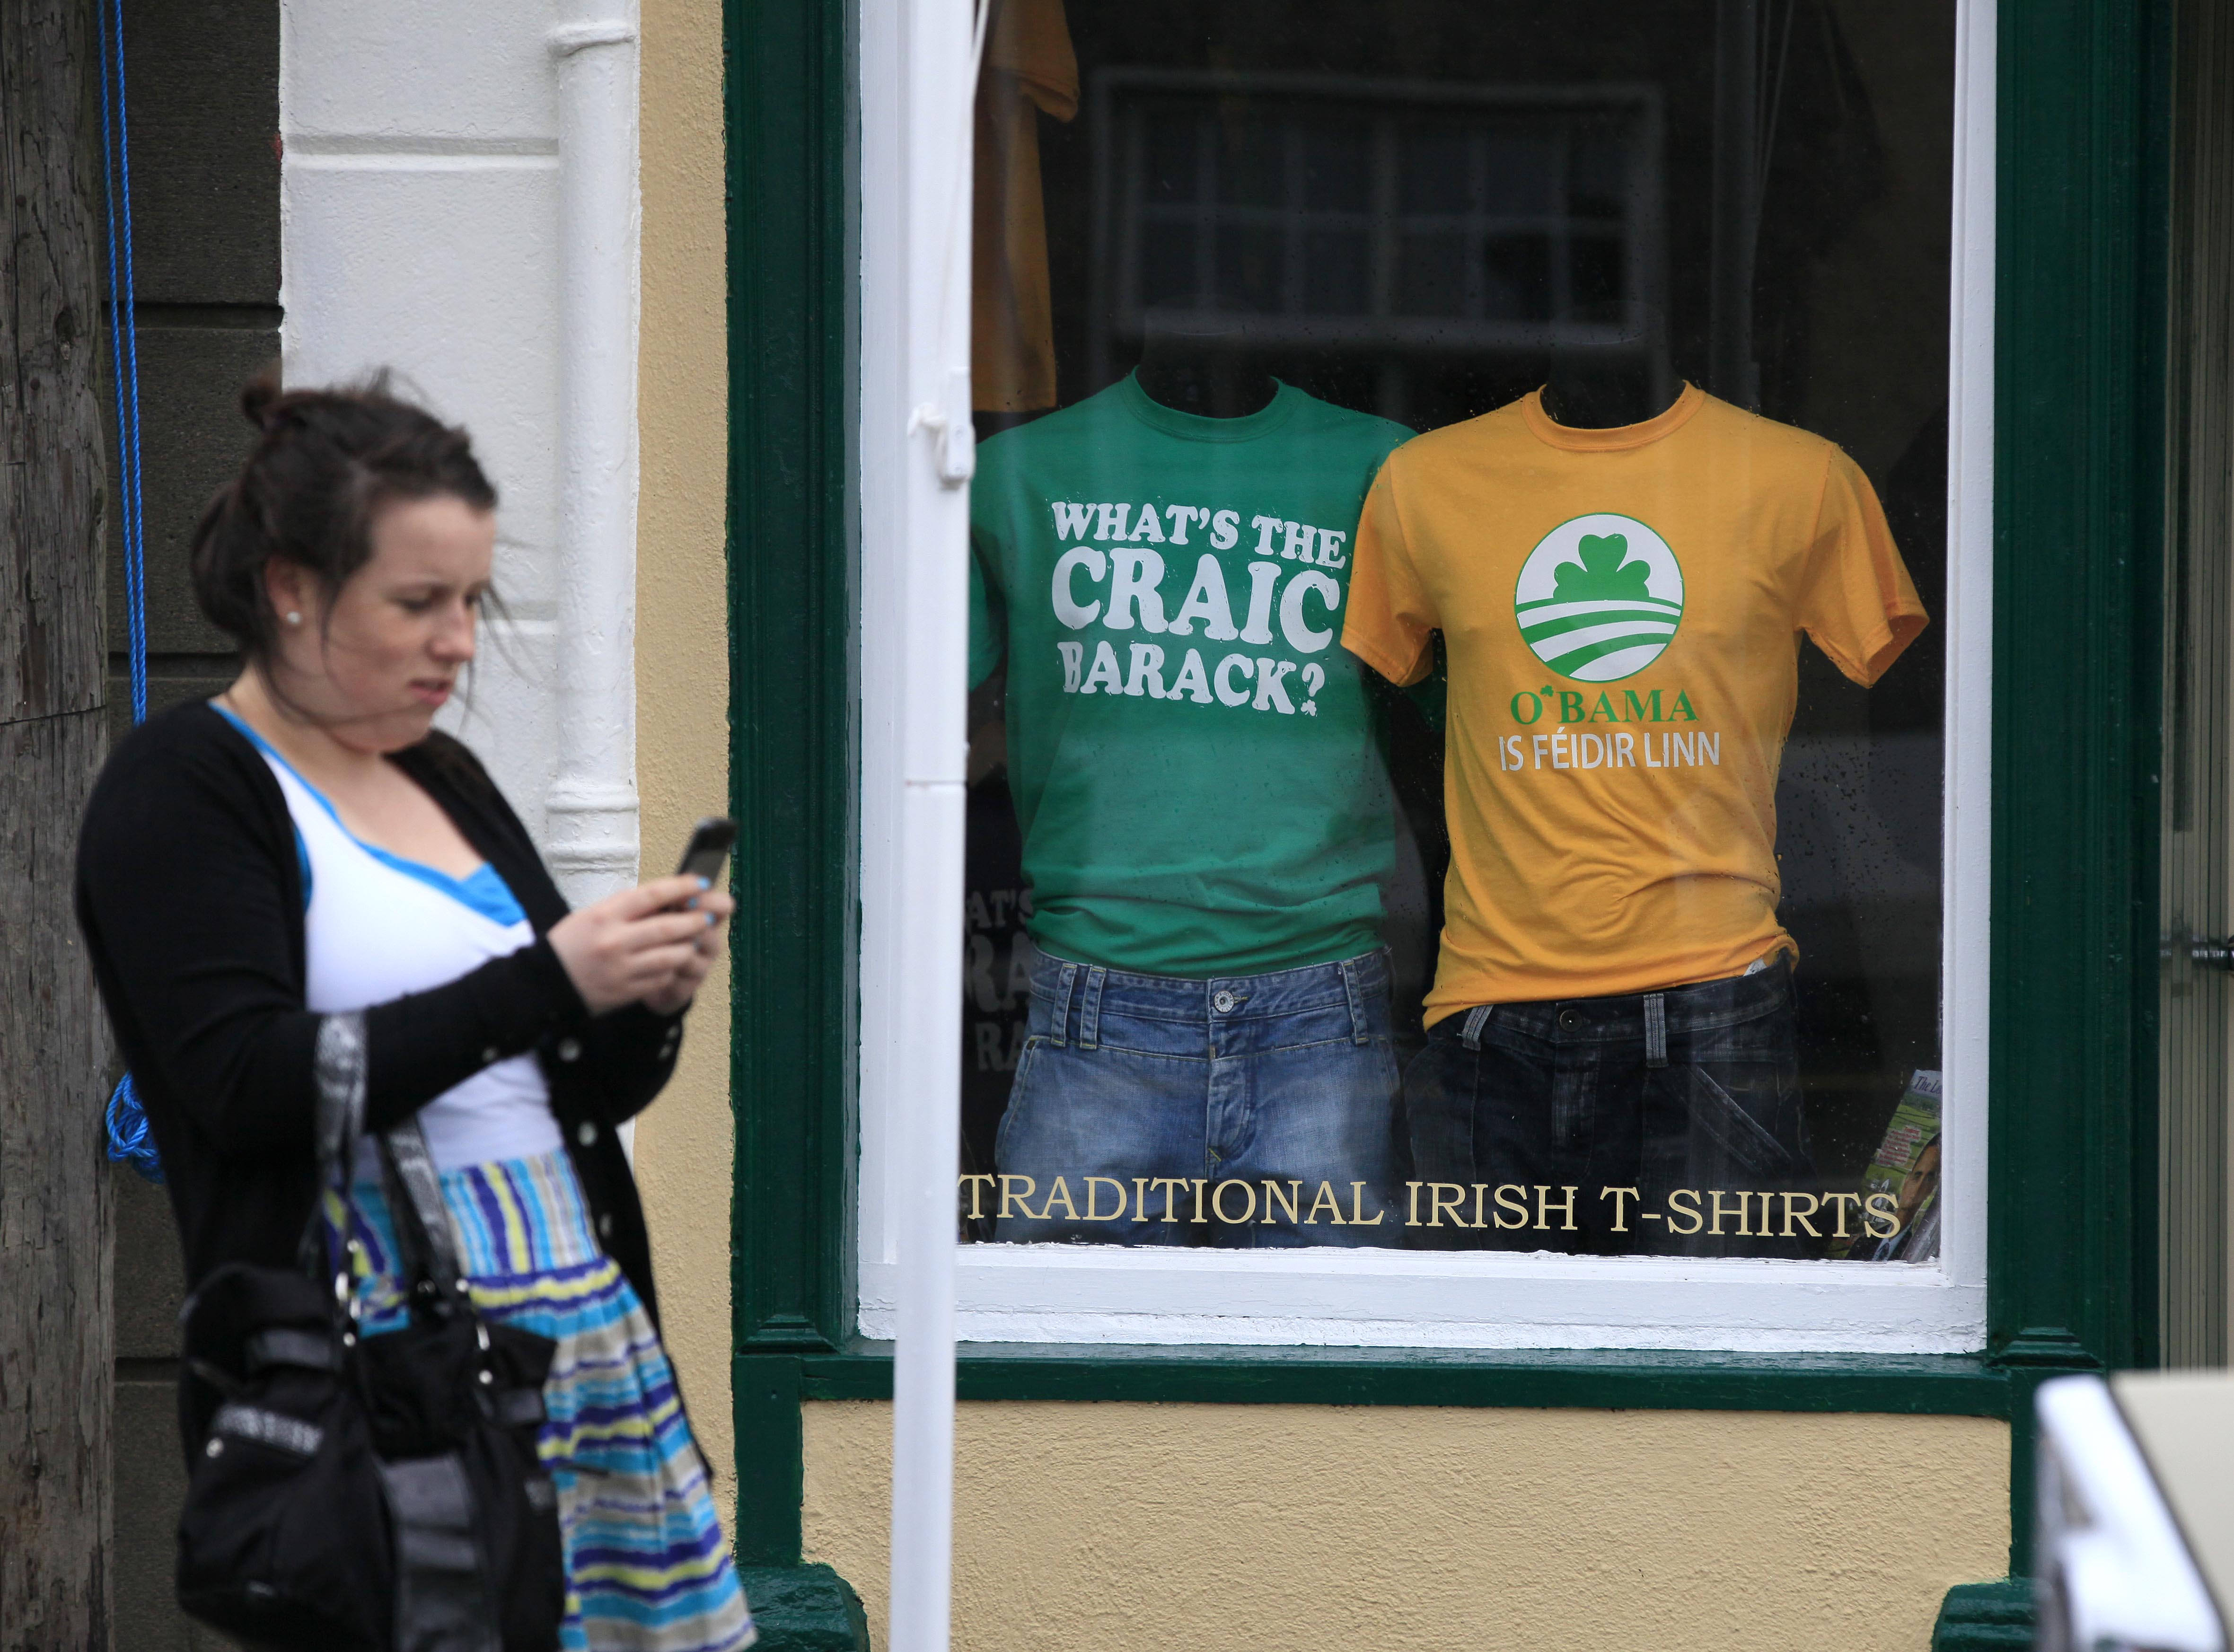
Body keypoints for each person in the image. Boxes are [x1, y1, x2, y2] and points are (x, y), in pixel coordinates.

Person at [75, 375, 756, 1652]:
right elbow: (246, 1089)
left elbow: (576, 1091)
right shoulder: (184, 785)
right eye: (418, 601)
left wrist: (641, 1002)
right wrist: (549, 981)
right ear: (291, 585)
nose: (460, 641)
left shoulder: (444, 773)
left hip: (581, 1351)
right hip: (385, 1380)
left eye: (473, 600)